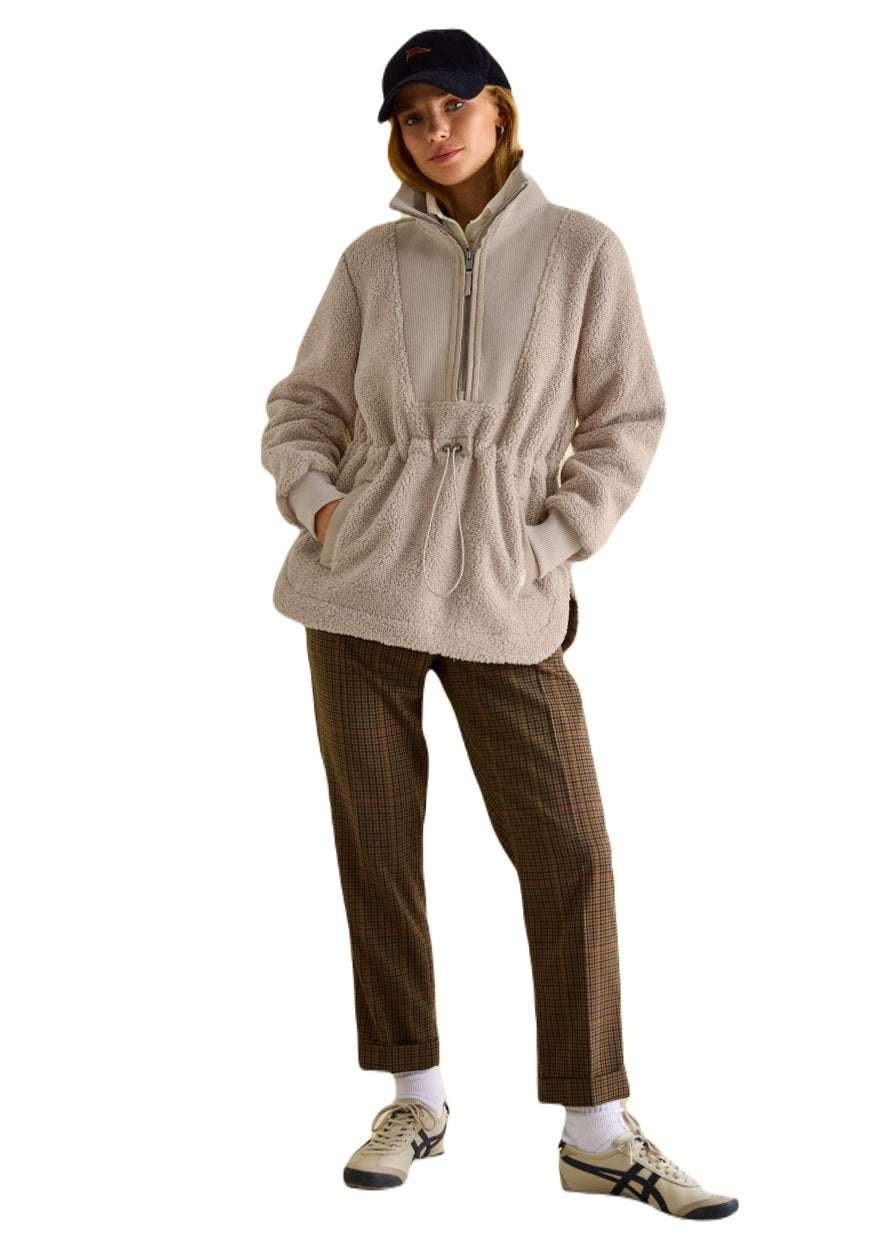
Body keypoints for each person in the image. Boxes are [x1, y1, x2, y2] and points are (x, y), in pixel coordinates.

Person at [261, 28, 738, 1220]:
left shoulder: (582, 250)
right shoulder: (372, 259)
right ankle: (414, 1097)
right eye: (413, 114)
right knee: (378, 844)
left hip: (502, 596)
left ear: (501, 110)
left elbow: (625, 419)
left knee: (570, 849)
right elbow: (303, 405)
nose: (436, 129)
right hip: (360, 593)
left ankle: (597, 1129)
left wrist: (546, 541)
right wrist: (325, 508)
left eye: (454, 105)